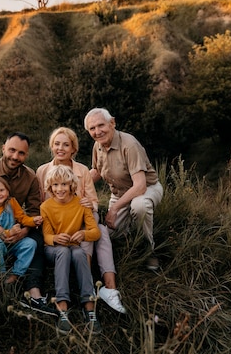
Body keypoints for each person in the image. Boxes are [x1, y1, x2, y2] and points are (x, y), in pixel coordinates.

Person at [36, 127, 127, 314]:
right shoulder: (43, 171)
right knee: (96, 229)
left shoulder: (82, 170)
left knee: (98, 228)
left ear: (73, 149)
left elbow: (94, 201)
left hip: (81, 219)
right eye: (57, 144)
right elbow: (40, 202)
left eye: (66, 145)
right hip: (55, 222)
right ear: (51, 146)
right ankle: (82, 278)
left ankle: (109, 288)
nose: (61, 148)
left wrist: (89, 203)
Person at [0, 132, 57, 316]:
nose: (15, 157)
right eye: (12, 150)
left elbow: (34, 211)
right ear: (3, 148)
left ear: (26, 155)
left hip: (16, 227)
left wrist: (23, 232)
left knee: (37, 239)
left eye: (21, 153)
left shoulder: (30, 177)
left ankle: (33, 291)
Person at [84, 108, 164, 270]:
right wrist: (74, 186)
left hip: (147, 189)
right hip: (120, 193)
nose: (97, 132)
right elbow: (97, 171)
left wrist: (114, 208)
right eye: (92, 128)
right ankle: (130, 234)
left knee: (139, 206)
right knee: (110, 235)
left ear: (112, 123)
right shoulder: (97, 146)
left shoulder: (129, 144)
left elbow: (140, 185)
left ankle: (149, 251)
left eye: (101, 125)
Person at [41, 164, 102, 335]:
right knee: (63, 251)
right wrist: (55, 238)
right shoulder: (46, 206)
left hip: (73, 247)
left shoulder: (81, 204)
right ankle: (62, 307)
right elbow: (46, 236)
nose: (59, 189)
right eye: (55, 185)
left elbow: (95, 232)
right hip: (53, 250)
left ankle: (89, 307)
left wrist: (83, 234)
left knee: (79, 252)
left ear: (71, 186)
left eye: (64, 184)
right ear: (50, 187)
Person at [0, 176, 43, 285]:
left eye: (2, 190)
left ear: (7, 190)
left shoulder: (12, 202)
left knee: (30, 243)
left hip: (15, 241)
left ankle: (16, 274)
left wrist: (33, 221)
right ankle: (0, 275)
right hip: (0, 242)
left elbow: (22, 218)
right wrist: (10, 232)